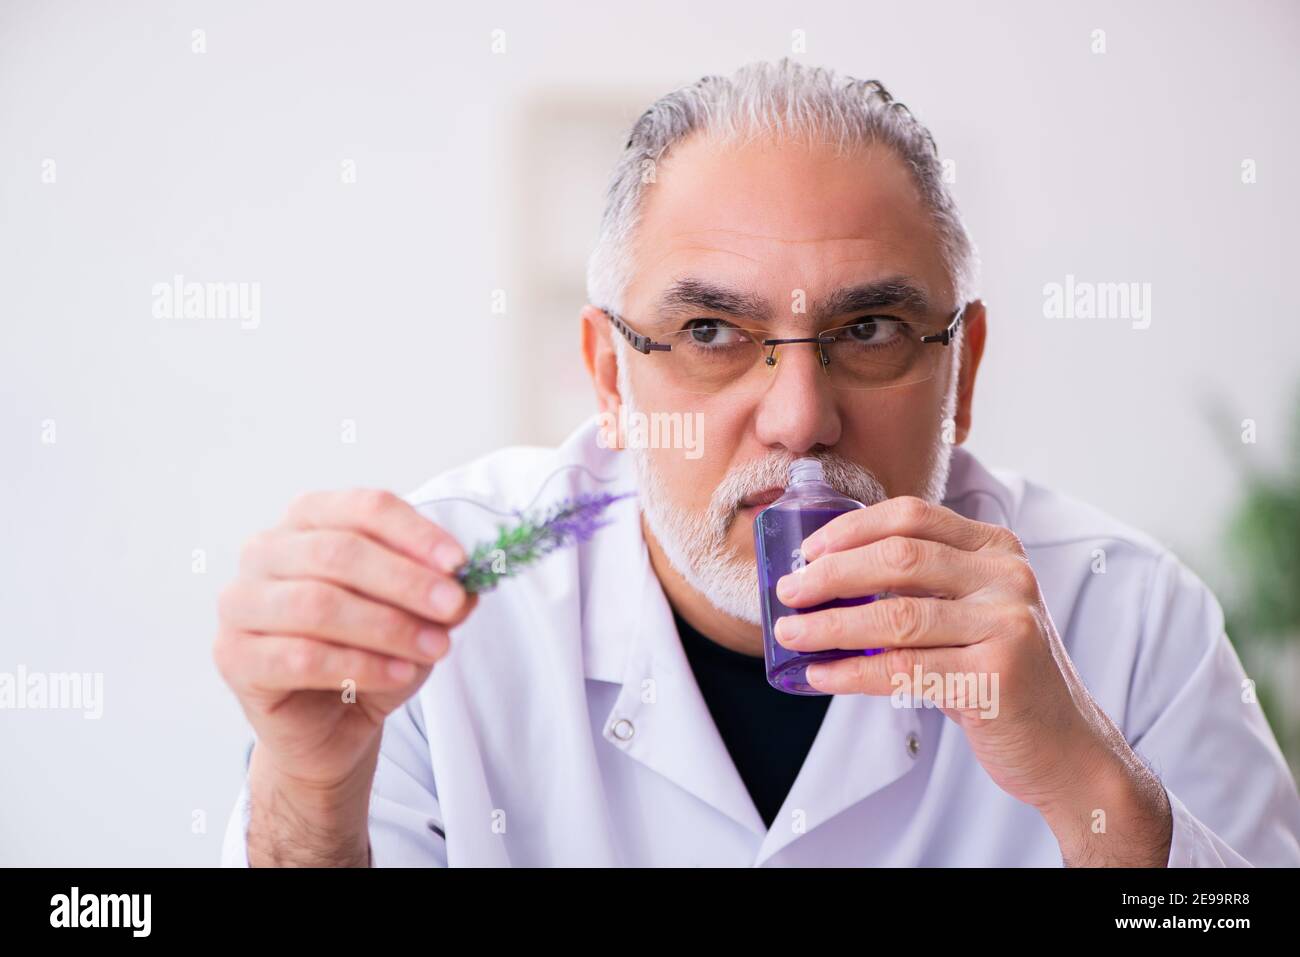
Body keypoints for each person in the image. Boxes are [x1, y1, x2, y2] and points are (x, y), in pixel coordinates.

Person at [214, 59, 1300, 866]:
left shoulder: (1127, 615)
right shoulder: (442, 604)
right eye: (707, 335)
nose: (797, 419)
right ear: (607, 377)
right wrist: (310, 786)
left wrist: (1087, 786)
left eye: (869, 329)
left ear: (961, 370)